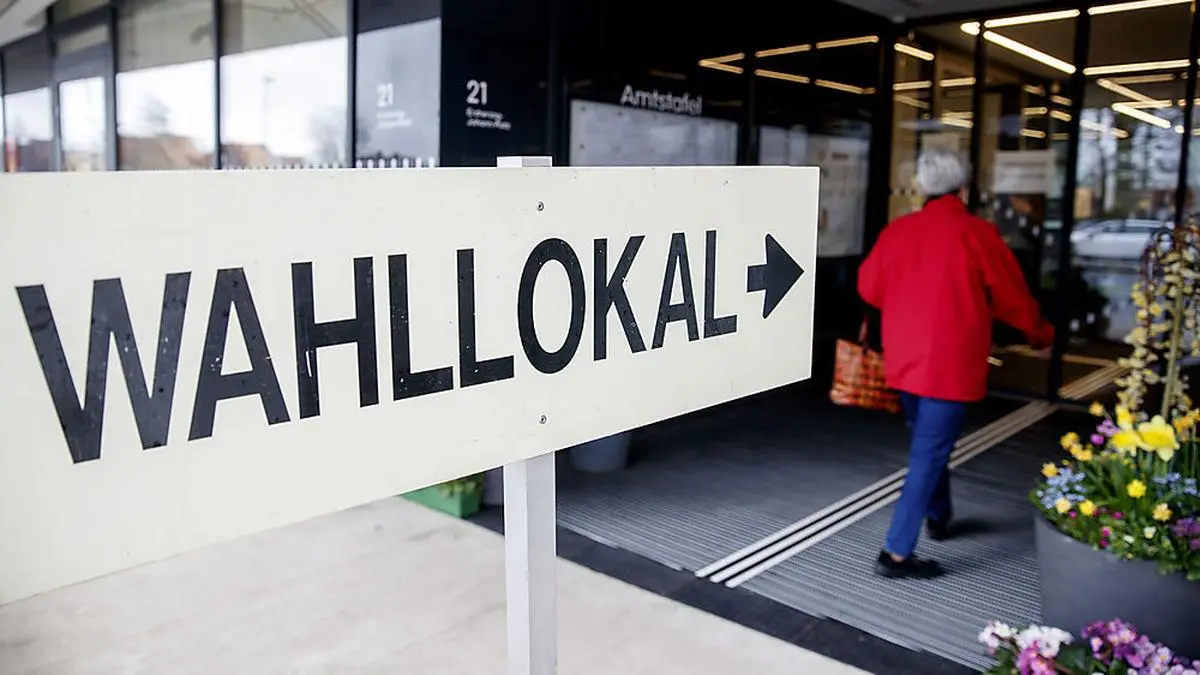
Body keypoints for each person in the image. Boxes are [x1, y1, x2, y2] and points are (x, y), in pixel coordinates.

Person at [858, 149, 1054, 579]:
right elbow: (1011, 296)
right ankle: (895, 554)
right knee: (929, 452)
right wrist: (1041, 334)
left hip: (905, 362)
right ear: (963, 189)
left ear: (922, 188)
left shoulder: (898, 231)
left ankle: (939, 513)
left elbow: (869, 287)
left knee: (929, 444)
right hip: (951, 366)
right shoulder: (977, 233)